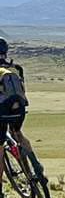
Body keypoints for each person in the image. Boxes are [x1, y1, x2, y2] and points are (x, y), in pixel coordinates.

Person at [0, 38, 39, 176]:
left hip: (2, 111)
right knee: (18, 134)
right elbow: (21, 90)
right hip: (19, 108)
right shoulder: (17, 68)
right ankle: (35, 167)